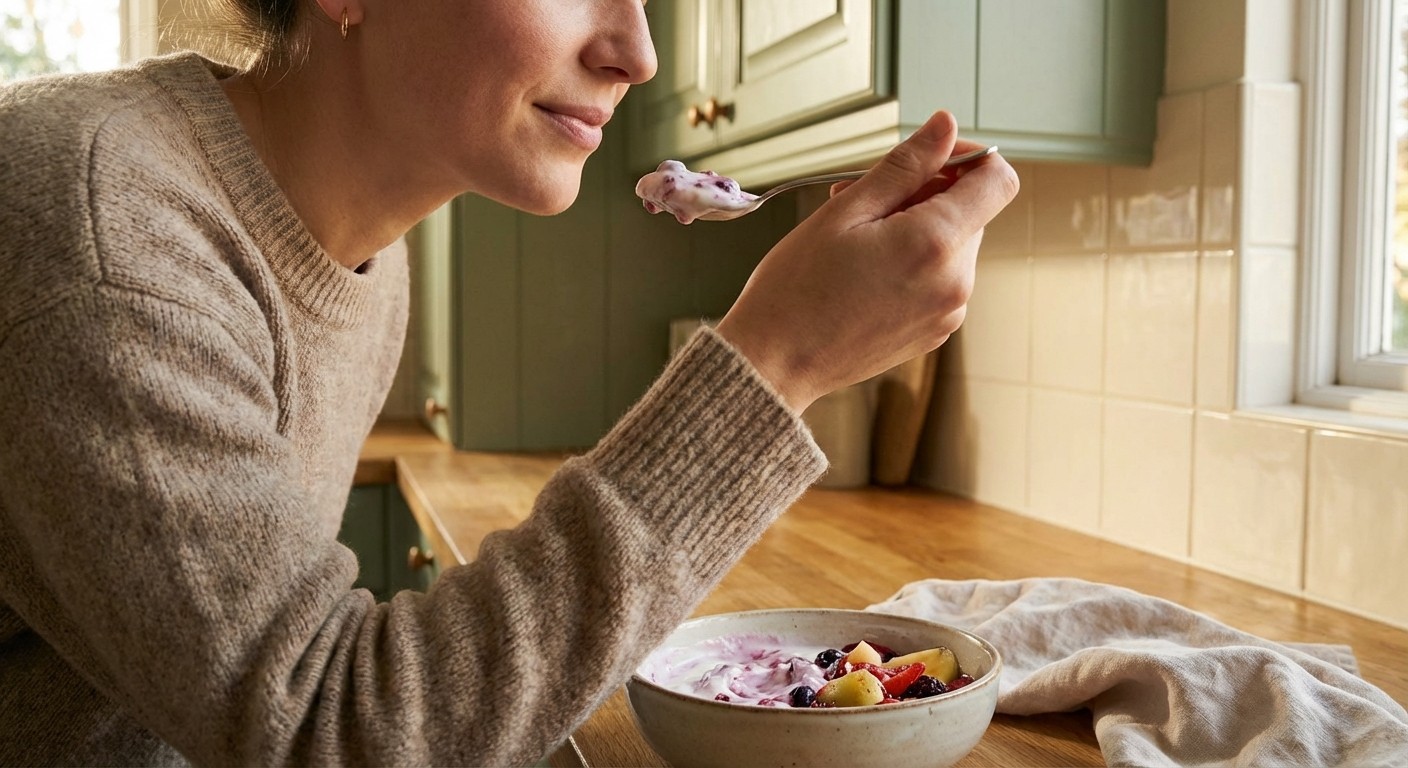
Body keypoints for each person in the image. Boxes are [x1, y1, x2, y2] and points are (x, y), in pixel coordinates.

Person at [0, 0, 1019, 764]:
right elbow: (330, 731)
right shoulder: (103, 236)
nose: (637, 51)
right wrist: (777, 361)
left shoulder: (361, 243)